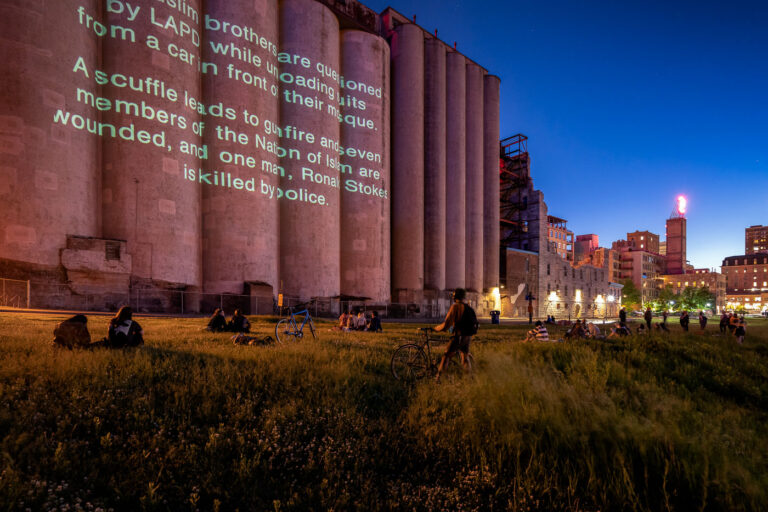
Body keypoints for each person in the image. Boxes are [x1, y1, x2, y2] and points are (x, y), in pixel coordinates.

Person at [434, 288, 476, 381]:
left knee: (446, 355)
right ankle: (469, 379)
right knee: (465, 357)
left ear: (455, 296)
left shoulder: (455, 307)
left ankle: (438, 379)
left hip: (459, 336)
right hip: (467, 336)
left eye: (453, 296)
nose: (453, 297)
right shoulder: (468, 307)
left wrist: (435, 329)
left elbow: (446, 324)